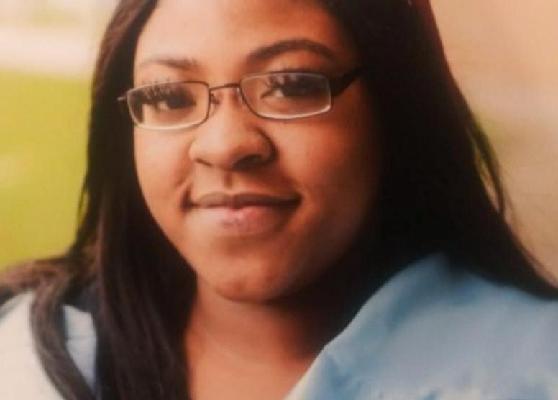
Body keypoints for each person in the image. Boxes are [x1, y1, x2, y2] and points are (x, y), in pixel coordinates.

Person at [1, 0, 557, 399]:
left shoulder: (532, 369)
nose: (224, 146)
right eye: (168, 96)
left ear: (397, 108)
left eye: (291, 85)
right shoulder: (26, 358)